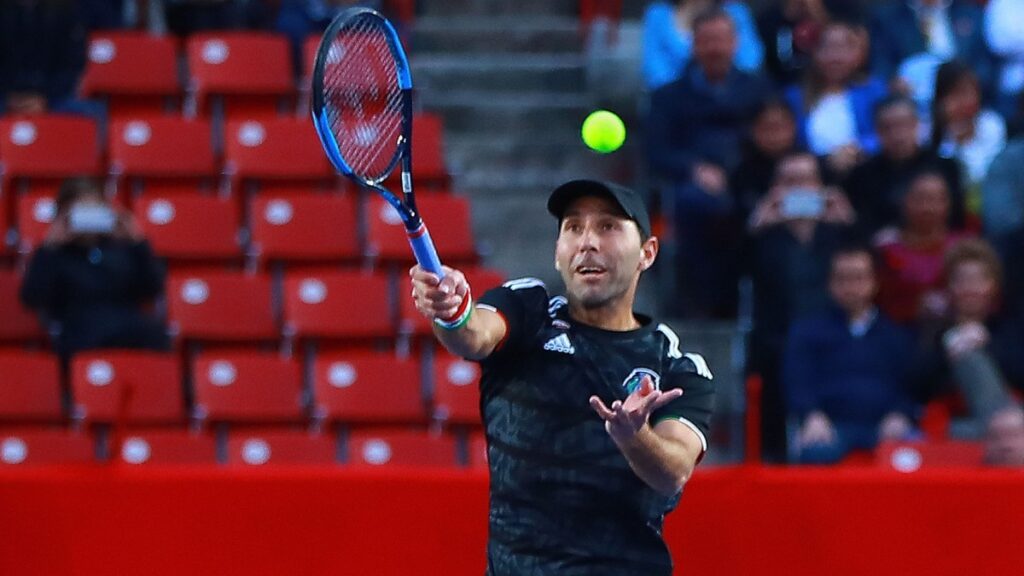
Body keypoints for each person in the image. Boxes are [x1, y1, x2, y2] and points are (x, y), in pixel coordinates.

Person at [410, 179, 715, 575]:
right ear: (558, 253)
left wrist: (633, 437)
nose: (587, 242)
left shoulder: (678, 367)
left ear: (647, 253)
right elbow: (473, 335)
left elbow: (672, 472)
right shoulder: (528, 311)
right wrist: (449, 309)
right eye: (573, 228)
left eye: (607, 226)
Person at [647, 8, 771, 317]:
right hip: (695, 186)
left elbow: (774, 137)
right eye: (707, 40)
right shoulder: (668, 97)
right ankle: (702, 302)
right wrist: (694, 168)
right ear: (694, 45)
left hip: (751, 178)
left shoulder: (761, 90)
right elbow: (657, 151)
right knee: (696, 207)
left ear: (735, 43)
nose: (715, 48)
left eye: (722, 40)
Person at [746, 151, 856, 461]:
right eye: (789, 181)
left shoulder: (837, 232)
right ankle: (774, 454)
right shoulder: (766, 236)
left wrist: (848, 222)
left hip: (834, 331)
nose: (799, 188)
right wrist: (756, 226)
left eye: (806, 180)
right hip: (777, 337)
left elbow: (865, 274)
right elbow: (728, 281)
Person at [785, 245, 918, 464]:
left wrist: (900, 413)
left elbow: (911, 385)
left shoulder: (895, 334)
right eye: (842, 279)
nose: (850, 287)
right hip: (830, 425)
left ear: (874, 282)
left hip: (885, 425)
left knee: (915, 457)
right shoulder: (808, 332)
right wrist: (811, 414)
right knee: (816, 452)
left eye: (858, 278)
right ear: (830, 283)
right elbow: (798, 380)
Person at [20, 177, 169, 359]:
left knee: (155, 335)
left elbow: (152, 287)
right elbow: (33, 297)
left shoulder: (121, 250)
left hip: (130, 328)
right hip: (82, 332)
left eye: (95, 210)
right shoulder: (55, 256)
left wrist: (138, 242)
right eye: (83, 212)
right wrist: (49, 247)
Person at [910, 239, 1024, 445]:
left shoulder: (1009, 327)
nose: (970, 288)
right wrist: (949, 348)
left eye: (979, 280)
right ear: (949, 286)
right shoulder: (935, 330)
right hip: (959, 423)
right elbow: (918, 383)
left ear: (993, 285)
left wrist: (987, 344)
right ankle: (1004, 435)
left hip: (1011, 416)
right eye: (962, 280)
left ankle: (1003, 433)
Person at [844, 95, 966, 236]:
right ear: (877, 131)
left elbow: (958, 218)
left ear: (916, 124)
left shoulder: (944, 167)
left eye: (903, 125)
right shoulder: (862, 175)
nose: (897, 135)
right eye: (888, 127)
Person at [783, 20, 888, 178]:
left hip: (867, 171)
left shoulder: (874, 90)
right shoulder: (795, 97)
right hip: (813, 177)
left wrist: (859, 148)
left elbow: (888, 132)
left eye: (843, 49)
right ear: (814, 51)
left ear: (858, 53)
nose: (835, 57)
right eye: (827, 48)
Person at [875, 170, 970, 327]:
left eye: (934, 199)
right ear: (905, 202)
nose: (927, 207)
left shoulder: (965, 247)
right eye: (920, 198)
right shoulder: (886, 250)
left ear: (948, 203)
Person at [870, 0, 994, 106]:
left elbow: (984, 66)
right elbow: (881, 68)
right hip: (910, 107)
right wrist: (894, 83)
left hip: (964, 105)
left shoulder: (972, 14)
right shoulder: (888, 19)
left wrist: (967, 88)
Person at [930, 60, 1006, 221]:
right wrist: (953, 143)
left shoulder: (992, 124)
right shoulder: (927, 130)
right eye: (954, 94)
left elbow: (988, 174)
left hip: (990, 207)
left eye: (967, 92)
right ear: (940, 99)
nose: (961, 101)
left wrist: (964, 145)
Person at [642, 0, 764, 90]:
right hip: (674, 102)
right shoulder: (657, 14)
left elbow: (750, 62)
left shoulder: (737, 11)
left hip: (732, 97)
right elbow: (655, 71)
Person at [0, 0, 89, 116]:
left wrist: (45, 98)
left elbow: (72, 66)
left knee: (90, 114)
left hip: (53, 96)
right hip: (5, 96)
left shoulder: (66, 11)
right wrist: (9, 97)